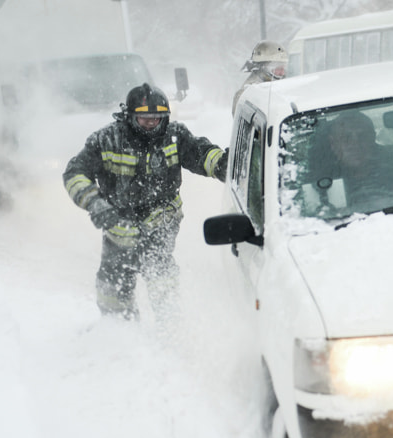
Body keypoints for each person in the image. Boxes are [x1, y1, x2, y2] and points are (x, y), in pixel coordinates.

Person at [63, 82, 227, 321]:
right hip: (118, 222)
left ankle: (170, 328)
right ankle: (118, 329)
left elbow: (201, 155)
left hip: (161, 219)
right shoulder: (106, 140)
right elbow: (74, 173)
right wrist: (96, 204)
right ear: (129, 116)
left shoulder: (175, 136)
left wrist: (224, 165)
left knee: (161, 274)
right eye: (145, 118)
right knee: (114, 283)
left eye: (157, 118)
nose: (151, 123)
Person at [232, 40, 288, 113]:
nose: (282, 72)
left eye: (283, 67)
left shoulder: (281, 85)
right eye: (278, 68)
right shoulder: (248, 95)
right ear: (263, 67)